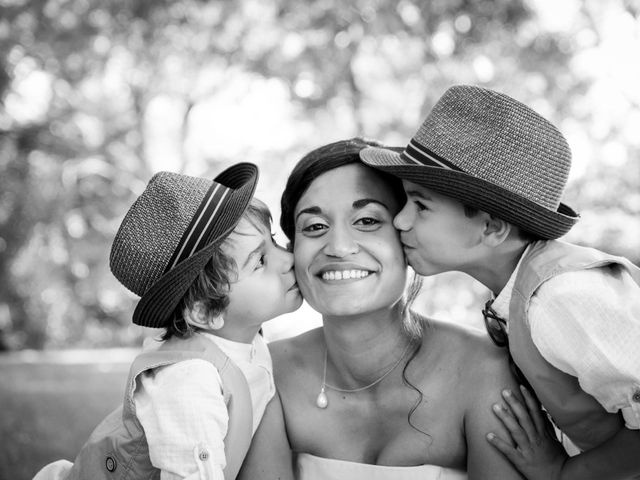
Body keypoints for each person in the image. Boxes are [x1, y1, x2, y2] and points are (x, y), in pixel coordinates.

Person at [360, 84, 640, 479]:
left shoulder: (559, 296)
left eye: (420, 205)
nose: (401, 220)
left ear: (491, 228)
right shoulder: (522, 295)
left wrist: (563, 473)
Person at [238, 138, 524, 480]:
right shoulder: (264, 372)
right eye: (315, 227)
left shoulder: (485, 371)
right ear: (292, 251)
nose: (339, 247)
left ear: (408, 234)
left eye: (368, 221)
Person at [33, 163, 302, 480]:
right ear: (205, 312)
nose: (288, 257)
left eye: (272, 240)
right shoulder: (189, 380)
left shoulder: (249, 344)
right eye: (260, 261)